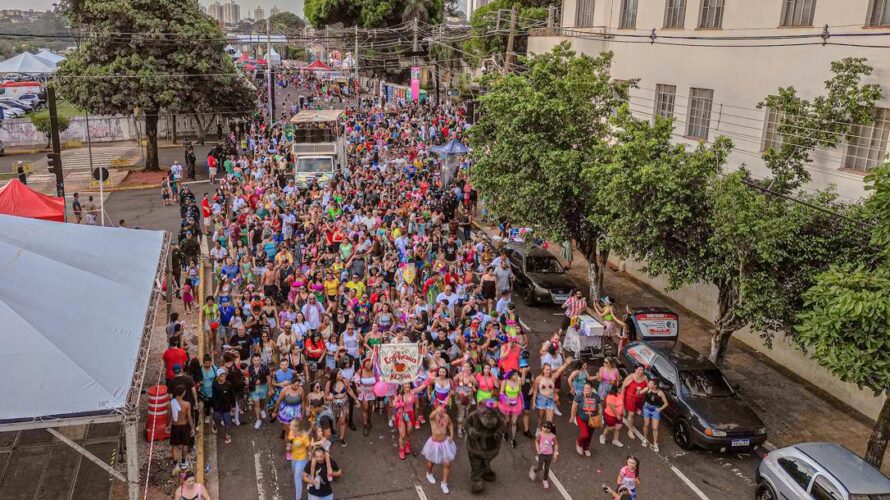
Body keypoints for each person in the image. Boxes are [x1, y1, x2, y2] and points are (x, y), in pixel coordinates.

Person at [422, 405, 456, 495]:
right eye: (439, 410)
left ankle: (444, 483)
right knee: (430, 463)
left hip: (445, 443)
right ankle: (429, 473)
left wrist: (452, 435)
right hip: (434, 444)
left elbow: (450, 424)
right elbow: (430, 416)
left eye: (443, 410)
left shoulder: (446, 417)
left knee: (447, 464)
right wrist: (437, 410)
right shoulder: (433, 417)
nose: (441, 412)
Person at [166, 384, 194, 474]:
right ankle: (183, 462)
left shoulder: (170, 404)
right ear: (183, 393)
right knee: (185, 444)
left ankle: (175, 464)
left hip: (175, 426)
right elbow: (189, 417)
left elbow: (169, 416)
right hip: (184, 425)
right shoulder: (187, 404)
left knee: (174, 445)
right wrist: (192, 427)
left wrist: (168, 426)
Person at [570, 380, 602, 457]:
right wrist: (572, 417)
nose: (586, 390)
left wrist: (601, 418)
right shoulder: (579, 396)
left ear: (592, 389)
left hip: (593, 419)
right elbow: (574, 407)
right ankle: (579, 443)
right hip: (581, 418)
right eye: (585, 388)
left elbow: (600, 408)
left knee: (590, 435)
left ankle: (586, 447)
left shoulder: (596, 396)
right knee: (585, 434)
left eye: (588, 388)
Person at [639, 378, 669, 452]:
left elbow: (666, 403)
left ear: (655, 386)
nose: (648, 384)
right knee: (646, 424)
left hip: (655, 410)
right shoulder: (647, 389)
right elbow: (639, 393)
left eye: (650, 383)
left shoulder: (660, 393)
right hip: (646, 408)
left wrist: (660, 409)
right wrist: (639, 390)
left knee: (655, 428)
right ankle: (645, 438)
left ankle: (655, 443)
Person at [528, 421, 558, 489]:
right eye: (543, 426)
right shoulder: (540, 434)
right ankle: (533, 470)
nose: (542, 428)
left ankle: (545, 480)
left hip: (549, 454)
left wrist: (556, 451)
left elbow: (556, 444)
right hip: (541, 454)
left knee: (547, 468)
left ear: (549, 429)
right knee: (540, 467)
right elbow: (536, 441)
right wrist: (537, 448)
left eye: (544, 427)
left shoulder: (553, 436)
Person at [621, 365, 648, 442]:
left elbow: (648, 386)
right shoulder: (630, 377)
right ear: (635, 370)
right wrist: (622, 400)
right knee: (631, 414)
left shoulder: (645, 378)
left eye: (642, 370)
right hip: (630, 398)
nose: (641, 372)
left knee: (635, 414)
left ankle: (631, 424)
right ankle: (630, 430)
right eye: (639, 370)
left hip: (639, 399)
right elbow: (623, 387)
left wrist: (643, 391)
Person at [211, 368, 235, 444]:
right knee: (217, 419)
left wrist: (233, 406)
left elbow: (232, 396)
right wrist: (213, 405)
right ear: (218, 376)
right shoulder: (214, 384)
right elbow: (213, 395)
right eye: (221, 376)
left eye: (224, 376)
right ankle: (215, 426)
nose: (223, 378)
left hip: (226, 407)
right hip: (217, 407)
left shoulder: (229, 384)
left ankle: (226, 434)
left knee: (227, 422)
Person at [288, 421, 311, 500]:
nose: (289, 427)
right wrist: (289, 447)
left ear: (297, 427)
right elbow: (290, 443)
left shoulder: (304, 436)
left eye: (291, 426)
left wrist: (310, 456)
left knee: (297, 478)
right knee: (296, 472)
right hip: (294, 458)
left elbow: (309, 447)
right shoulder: (291, 433)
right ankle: (308, 476)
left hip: (302, 459)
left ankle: (298, 497)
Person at [247, 353, 271, 429]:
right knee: (257, 403)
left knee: (262, 400)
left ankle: (262, 409)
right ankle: (258, 420)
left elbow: (268, 378)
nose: (256, 362)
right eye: (255, 360)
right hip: (254, 388)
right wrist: (248, 382)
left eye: (258, 360)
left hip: (263, 387)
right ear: (252, 360)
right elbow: (248, 377)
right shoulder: (250, 367)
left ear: (260, 360)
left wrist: (270, 388)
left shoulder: (265, 367)